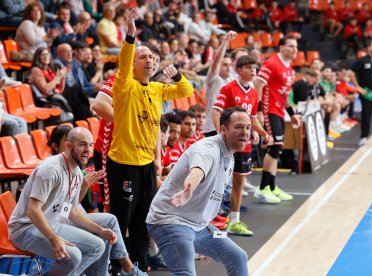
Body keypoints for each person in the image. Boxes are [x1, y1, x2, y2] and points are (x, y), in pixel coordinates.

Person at [106, 8, 194, 272]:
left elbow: (186, 89)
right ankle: (114, 266)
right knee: (122, 220)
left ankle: (139, 265)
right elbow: (124, 61)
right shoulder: (125, 85)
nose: (150, 61)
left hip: (145, 165)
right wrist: (131, 35)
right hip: (123, 163)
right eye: (143, 57)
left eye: (153, 58)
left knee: (143, 221)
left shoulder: (156, 89)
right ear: (134, 63)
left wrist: (176, 73)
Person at [8, 127, 146, 276]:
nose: (88, 150)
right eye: (82, 144)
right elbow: (33, 210)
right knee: (74, 256)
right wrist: (54, 239)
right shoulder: (50, 170)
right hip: (26, 230)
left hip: (52, 223)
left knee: (98, 246)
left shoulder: (77, 172)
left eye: (90, 145)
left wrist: (99, 230)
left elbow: (71, 210)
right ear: (68, 145)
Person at [146, 107, 249, 276]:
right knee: (185, 273)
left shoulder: (229, 158)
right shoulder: (208, 149)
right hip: (171, 222)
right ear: (223, 129)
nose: (245, 132)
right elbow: (197, 171)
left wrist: (207, 235)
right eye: (239, 127)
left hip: (201, 228)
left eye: (247, 127)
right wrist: (189, 189)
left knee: (238, 256)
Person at [212, 56, 272, 236]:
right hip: (228, 144)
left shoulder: (253, 93)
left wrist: (263, 133)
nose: (253, 71)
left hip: (243, 144)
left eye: (255, 67)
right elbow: (216, 112)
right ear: (238, 70)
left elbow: (252, 118)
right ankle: (211, 218)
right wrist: (220, 135)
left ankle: (235, 222)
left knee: (239, 180)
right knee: (217, 182)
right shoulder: (228, 88)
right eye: (248, 67)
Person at [253, 35, 301, 203]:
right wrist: (258, 110)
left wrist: (292, 113)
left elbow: (284, 93)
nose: (294, 49)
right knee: (274, 147)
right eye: (290, 46)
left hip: (280, 110)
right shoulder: (272, 63)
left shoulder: (289, 67)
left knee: (277, 148)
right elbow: (258, 84)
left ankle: (272, 187)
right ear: (281, 48)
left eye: (296, 46)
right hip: (268, 109)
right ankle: (263, 188)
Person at [203, 31, 237, 137]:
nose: (228, 67)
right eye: (225, 65)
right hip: (212, 128)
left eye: (230, 65)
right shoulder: (213, 78)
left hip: (228, 127)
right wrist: (226, 41)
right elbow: (217, 60)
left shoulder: (232, 79)